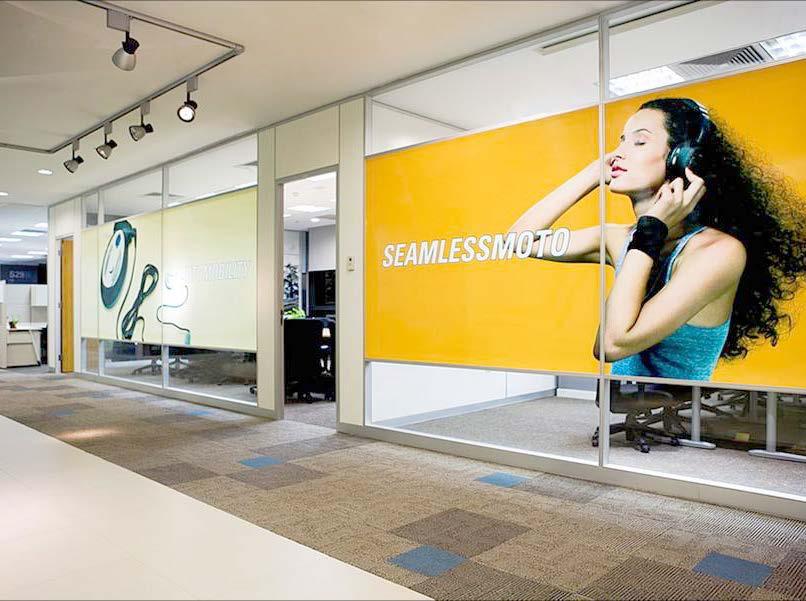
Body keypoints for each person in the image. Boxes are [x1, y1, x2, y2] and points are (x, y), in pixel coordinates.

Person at [510, 98, 806, 381]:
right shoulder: (618, 237)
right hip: (623, 411)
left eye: (639, 142)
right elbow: (517, 242)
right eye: (621, 141)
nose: (618, 153)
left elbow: (611, 345)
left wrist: (651, 229)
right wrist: (592, 173)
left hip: (684, 412)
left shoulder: (719, 252)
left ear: (681, 159)